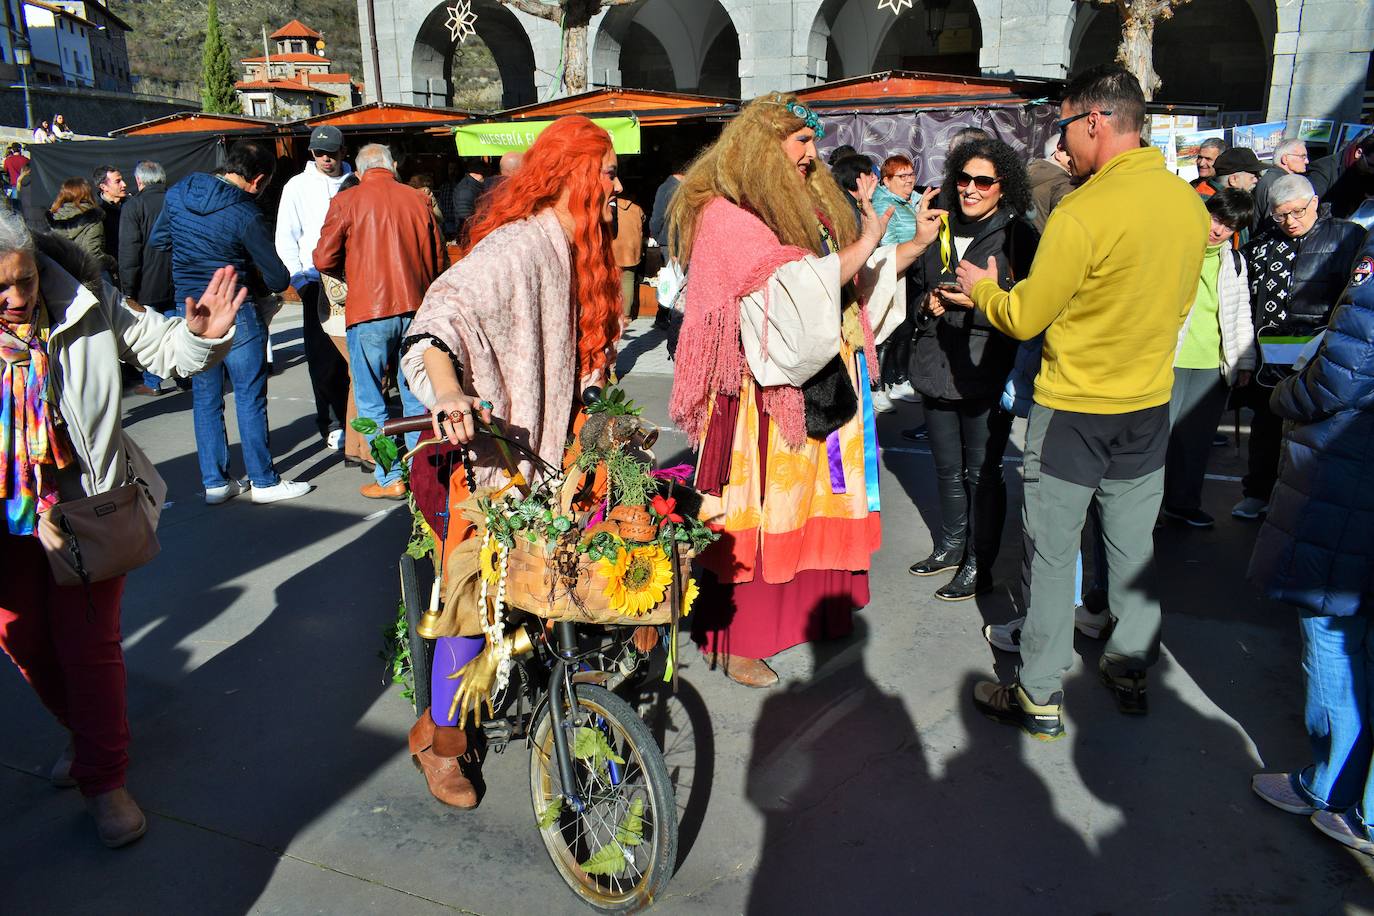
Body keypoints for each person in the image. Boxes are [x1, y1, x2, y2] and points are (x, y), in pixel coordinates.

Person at [957, 63, 1209, 737]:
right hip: (1147, 403)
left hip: (1075, 410)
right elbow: (1180, 306)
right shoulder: (1187, 203)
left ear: (1096, 119)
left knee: (1053, 549)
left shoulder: (1085, 210)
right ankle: (1129, 665)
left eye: (1066, 125)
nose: (1064, 142)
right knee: (1132, 545)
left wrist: (980, 286)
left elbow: (1026, 315)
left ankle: (1038, 693)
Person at [668, 93, 933, 688]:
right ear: (764, 146)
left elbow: (836, 279)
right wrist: (862, 246)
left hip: (828, 378)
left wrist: (906, 249)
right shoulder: (727, 216)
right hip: (764, 397)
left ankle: (821, 609)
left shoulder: (805, 206)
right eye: (800, 143)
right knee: (763, 510)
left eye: (813, 143)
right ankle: (740, 640)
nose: (812, 157)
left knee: (824, 499)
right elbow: (789, 290)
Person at [397, 115, 624, 806]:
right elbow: (439, 320)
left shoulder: (580, 249)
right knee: (470, 605)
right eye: (609, 172)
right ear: (577, 176)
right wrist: (447, 390)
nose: (619, 185)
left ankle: (572, 695)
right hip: (485, 464)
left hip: (550, 461)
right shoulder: (520, 247)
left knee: (570, 580)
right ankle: (442, 743)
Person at [0, 207, 244, 848]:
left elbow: (159, 345)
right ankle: (86, 738)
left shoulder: (79, 293)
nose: (20, 298)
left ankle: (105, 781)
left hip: (88, 506)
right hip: (8, 519)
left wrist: (200, 337)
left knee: (88, 648)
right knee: (22, 641)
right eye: (1, 288)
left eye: (24, 278)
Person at [1247, 234, 1374, 858]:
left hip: (1354, 472)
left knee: (1332, 627)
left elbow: (1340, 379)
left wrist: (1283, 395)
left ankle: (1333, 789)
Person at [907, 138, 1039, 601]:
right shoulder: (937, 228)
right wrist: (927, 305)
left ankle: (978, 564)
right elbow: (915, 295)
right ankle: (950, 546)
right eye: (963, 179)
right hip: (934, 364)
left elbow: (1030, 309)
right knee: (946, 469)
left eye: (983, 181)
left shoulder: (1019, 235)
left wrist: (977, 306)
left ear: (1003, 187)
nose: (971, 189)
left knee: (982, 473)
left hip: (987, 369)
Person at [150, 139, 311, 506]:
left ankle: (216, 481)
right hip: (237, 307)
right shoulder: (244, 213)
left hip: (191, 310)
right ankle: (264, 480)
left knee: (206, 399)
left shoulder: (178, 193)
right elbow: (276, 278)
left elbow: (160, 241)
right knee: (249, 396)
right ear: (257, 180)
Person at [314, 143, 448, 500]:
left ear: (358, 172)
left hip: (368, 312)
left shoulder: (346, 201)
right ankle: (423, 475)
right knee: (416, 396)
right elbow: (438, 260)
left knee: (372, 401)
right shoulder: (417, 199)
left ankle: (390, 478)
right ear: (393, 166)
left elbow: (323, 258)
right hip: (416, 309)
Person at [1233, 174, 1364, 520]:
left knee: (1314, 433)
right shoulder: (1262, 243)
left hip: (1324, 354)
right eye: (1281, 215)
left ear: (1315, 203)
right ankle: (1257, 493)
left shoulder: (1348, 237)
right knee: (1266, 427)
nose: (1290, 221)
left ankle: (1304, 502)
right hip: (1270, 356)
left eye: (1297, 212)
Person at [1162, 189, 1257, 528]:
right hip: (1169, 358)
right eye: (1216, 218)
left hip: (1213, 365)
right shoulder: (1176, 248)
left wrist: (1244, 360)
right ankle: (1147, 509)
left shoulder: (1235, 262)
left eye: (1228, 226)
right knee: (1159, 438)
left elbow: (1240, 312)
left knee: (1195, 442)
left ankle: (1183, 504)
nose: (1217, 230)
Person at [275, 125, 354, 456]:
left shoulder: (355, 182)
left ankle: (355, 423)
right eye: (319, 153)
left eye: (331, 152)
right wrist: (300, 278)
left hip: (353, 281)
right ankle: (332, 422)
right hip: (316, 280)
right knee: (323, 359)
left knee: (354, 357)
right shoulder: (297, 186)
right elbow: (286, 236)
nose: (325, 158)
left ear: (342, 152)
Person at [118, 161, 177, 396]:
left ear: (140, 181)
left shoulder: (134, 206)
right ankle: (183, 375)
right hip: (178, 277)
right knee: (176, 328)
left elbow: (129, 249)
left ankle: (153, 382)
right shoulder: (176, 200)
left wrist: (128, 287)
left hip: (147, 281)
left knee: (153, 334)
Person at [872, 154, 921, 404]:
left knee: (905, 326)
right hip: (891, 271)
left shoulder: (909, 200)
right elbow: (885, 242)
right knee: (887, 329)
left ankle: (900, 380)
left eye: (911, 175)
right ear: (887, 180)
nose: (909, 181)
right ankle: (877, 386)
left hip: (909, 270)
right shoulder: (884, 205)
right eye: (902, 176)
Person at [48, 179, 114, 275]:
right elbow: (93, 255)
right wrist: (111, 262)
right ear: (87, 193)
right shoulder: (92, 218)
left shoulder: (52, 217)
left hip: (60, 275)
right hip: (88, 276)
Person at [1027, 134, 1074, 234]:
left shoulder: (1027, 172)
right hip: (1041, 245)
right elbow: (1064, 229)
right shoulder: (1063, 184)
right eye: (1071, 151)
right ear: (1058, 154)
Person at [1254, 138, 1309, 218]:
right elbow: (1277, 219)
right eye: (1302, 157)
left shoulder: (1271, 177)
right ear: (1285, 159)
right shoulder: (1280, 183)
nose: (1307, 161)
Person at [611, 193, 645, 316]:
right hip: (631, 251)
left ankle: (610, 312)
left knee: (609, 281)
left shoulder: (609, 207)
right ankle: (626, 315)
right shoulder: (637, 209)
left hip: (613, 249)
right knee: (628, 281)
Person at [93, 165, 127, 283]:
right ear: (103, 186)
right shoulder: (96, 211)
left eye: (122, 180)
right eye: (118, 181)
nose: (124, 184)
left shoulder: (132, 205)